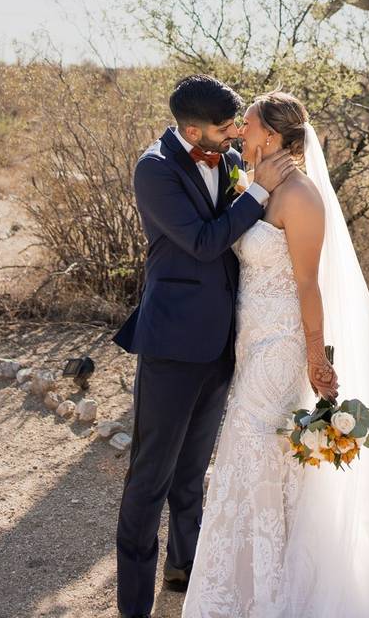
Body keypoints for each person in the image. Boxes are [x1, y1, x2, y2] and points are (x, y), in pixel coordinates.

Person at [181, 91, 369, 618]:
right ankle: (258, 581)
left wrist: (316, 358)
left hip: (280, 347)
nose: (240, 132)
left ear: (273, 136)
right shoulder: (258, 185)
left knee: (254, 449)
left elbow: (307, 285)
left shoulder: (301, 196)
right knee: (260, 455)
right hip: (250, 341)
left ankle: (266, 592)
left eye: (248, 125)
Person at [111, 75, 296, 618]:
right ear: (192, 131)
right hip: (172, 345)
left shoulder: (231, 159)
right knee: (150, 477)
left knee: (192, 474)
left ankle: (185, 568)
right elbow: (201, 242)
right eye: (225, 128)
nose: (235, 134)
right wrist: (258, 192)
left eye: (237, 124)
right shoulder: (155, 169)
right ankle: (133, 604)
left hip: (224, 343)